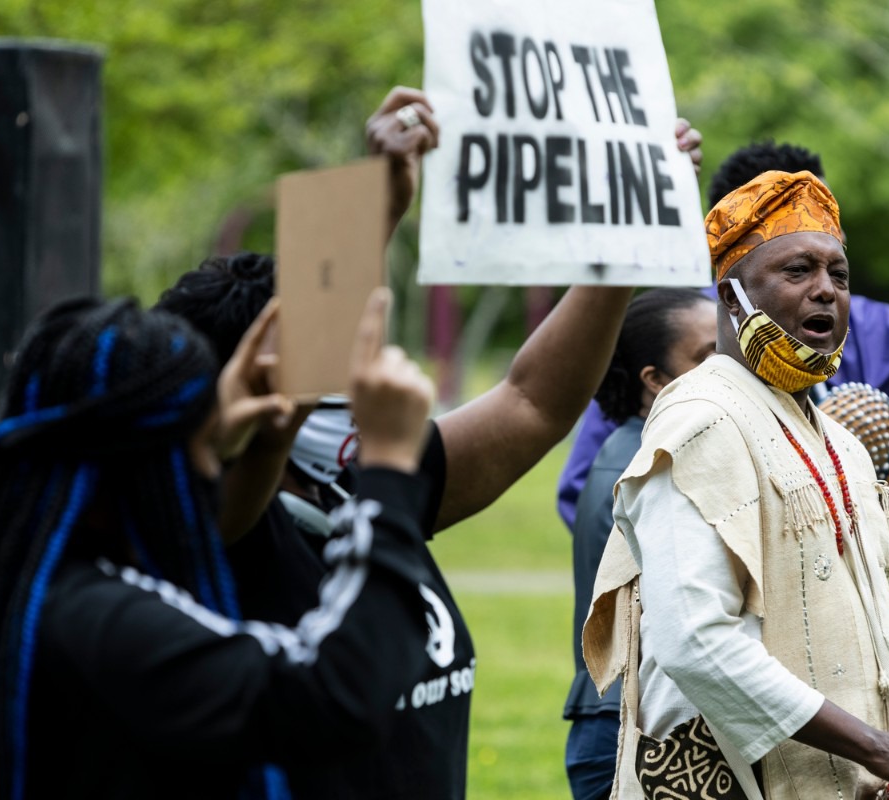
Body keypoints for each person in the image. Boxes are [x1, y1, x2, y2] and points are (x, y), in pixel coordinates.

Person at [156, 86, 705, 799]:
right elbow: (260, 450)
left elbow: (531, 401)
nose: (355, 350)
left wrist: (625, 239)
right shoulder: (209, 529)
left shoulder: (356, 489)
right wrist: (367, 203)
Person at [583, 171, 889, 799]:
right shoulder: (699, 419)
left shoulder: (837, 441)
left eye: (838, 275)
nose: (825, 291)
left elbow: (880, 622)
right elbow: (692, 639)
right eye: (797, 271)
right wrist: (876, 745)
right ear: (732, 298)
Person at [0, 288, 441, 799]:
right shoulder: (101, 625)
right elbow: (334, 694)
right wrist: (389, 472)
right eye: (202, 450)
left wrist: (223, 432)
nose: (211, 471)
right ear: (138, 467)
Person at [556, 137, 889, 531]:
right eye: (796, 264)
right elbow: (594, 494)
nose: (823, 288)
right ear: (734, 277)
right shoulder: (669, 342)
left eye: (835, 266)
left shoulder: (857, 327)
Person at [563, 289, 717, 800]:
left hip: (620, 723)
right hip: (629, 731)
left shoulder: (629, 449)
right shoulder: (654, 466)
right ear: (653, 380)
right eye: (706, 356)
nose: (728, 368)